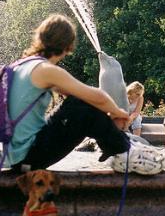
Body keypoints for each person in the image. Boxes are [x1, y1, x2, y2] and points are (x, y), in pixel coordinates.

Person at [7, 14, 131, 171]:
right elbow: (97, 97)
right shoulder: (46, 70)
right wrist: (119, 113)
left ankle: (117, 149)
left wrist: (109, 115)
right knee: (81, 104)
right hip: (28, 156)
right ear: (68, 46)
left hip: (16, 156)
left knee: (81, 103)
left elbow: (88, 98)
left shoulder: (22, 65)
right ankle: (125, 151)